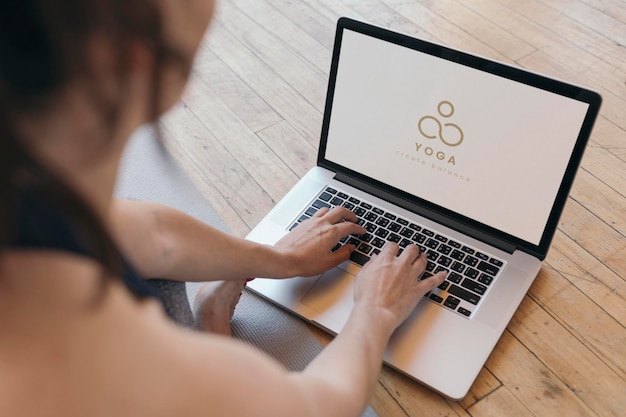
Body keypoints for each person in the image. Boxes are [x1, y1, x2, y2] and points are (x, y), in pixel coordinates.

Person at [0, 1, 446, 416]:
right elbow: (316, 404)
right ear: (132, 51)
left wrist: (282, 259)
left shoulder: (28, 176)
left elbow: (155, 234)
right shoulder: (91, 361)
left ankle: (211, 317)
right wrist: (376, 312)